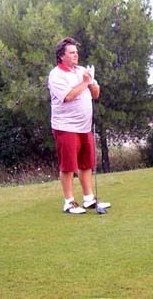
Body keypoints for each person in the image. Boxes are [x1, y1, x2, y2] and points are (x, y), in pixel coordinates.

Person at [47, 37, 111, 214]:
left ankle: (89, 199)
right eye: (72, 52)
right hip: (65, 126)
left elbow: (96, 94)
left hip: (84, 126)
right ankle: (69, 202)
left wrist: (90, 82)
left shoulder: (82, 71)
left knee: (86, 163)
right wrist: (84, 82)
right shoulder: (56, 75)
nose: (76, 55)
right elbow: (67, 97)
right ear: (61, 55)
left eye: (76, 52)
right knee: (68, 165)